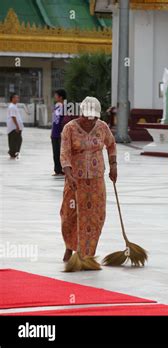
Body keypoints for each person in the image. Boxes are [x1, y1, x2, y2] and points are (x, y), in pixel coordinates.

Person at [60, 96, 117, 262]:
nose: (89, 121)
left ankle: (86, 254)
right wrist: (68, 174)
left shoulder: (102, 127)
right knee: (69, 215)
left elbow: (111, 144)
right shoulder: (69, 128)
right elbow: (64, 152)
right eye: (87, 116)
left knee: (95, 215)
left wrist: (113, 165)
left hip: (96, 178)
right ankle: (70, 247)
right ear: (81, 113)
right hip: (74, 180)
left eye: (93, 117)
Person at [51, 89, 67, 176]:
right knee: (55, 152)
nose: (55, 97)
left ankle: (63, 169)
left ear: (61, 97)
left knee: (62, 152)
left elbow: (64, 121)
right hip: (54, 133)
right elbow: (54, 120)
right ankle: (57, 170)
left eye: (56, 95)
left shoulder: (65, 107)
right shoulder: (56, 106)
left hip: (61, 133)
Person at [6, 93, 24, 159]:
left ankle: (12, 152)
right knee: (15, 141)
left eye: (18, 98)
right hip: (14, 128)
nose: (17, 99)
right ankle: (12, 153)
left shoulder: (14, 106)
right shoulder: (12, 107)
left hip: (15, 127)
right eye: (16, 98)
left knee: (17, 140)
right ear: (12, 99)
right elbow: (13, 117)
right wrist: (17, 126)